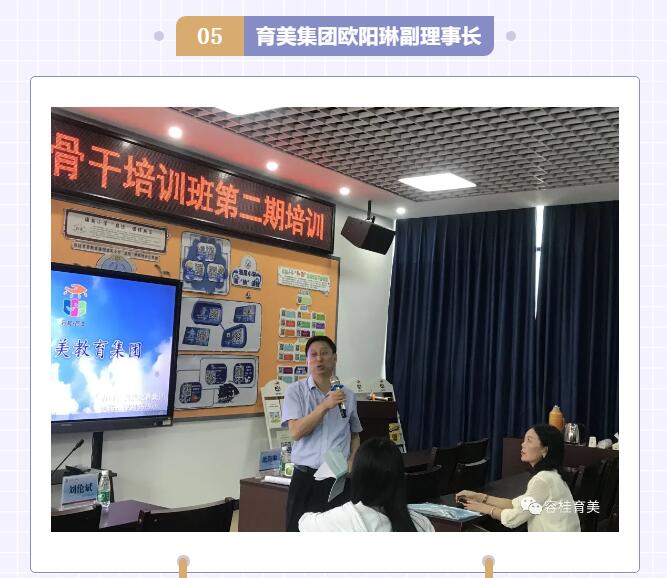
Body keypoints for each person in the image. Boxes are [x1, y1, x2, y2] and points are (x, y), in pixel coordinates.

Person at [281, 335, 362, 532]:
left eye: (324, 353)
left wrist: (352, 461)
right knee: (298, 533)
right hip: (305, 478)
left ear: (334, 358)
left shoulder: (348, 395)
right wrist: (325, 405)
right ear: (307, 360)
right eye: (314, 355)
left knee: (336, 536)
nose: (319, 359)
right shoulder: (295, 391)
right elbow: (296, 432)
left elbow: (354, 434)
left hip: (338, 479)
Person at [456, 424, 581, 532]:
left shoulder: (542, 480)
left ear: (545, 450)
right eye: (524, 440)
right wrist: (479, 497)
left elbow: (513, 518)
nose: (523, 444)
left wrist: (484, 508)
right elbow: (515, 504)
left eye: (529, 441)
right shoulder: (553, 475)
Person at [299, 437, 435, 532]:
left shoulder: (347, 517)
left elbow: (304, 523)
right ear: (400, 479)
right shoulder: (421, 524)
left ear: (358, 476)